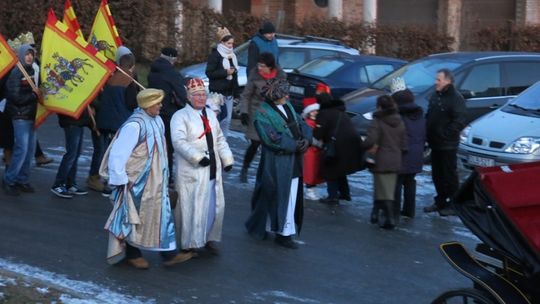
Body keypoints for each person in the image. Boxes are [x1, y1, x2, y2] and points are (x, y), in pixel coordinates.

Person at [100, 89, 193, 269]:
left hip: (156, 181)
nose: (160, 106)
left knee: (161, 216)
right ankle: (133, 254)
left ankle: (169, 253)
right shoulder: (134, 126)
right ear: (147, 105)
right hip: (137, 182)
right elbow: (118, 154)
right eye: (157, 103)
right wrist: (120, 180)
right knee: (135, 218)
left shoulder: (157, 120)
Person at [245, 78, 312, 249]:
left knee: (287, 194)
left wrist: (306, 139)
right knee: (280, 195)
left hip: (293, 158)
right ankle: (283, 233)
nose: (288, 96)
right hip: (277, 161)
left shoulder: (287, 106)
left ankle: (268, 227)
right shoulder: (263, 113)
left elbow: (301, 122)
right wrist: (295, 145)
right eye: (284, 94)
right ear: (276, 95)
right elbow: (271, 139)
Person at [170, 78, 234, 256]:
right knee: (190, 206)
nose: (200, 98)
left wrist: (227, 159)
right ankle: (188, 243)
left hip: (212, 169)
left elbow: (219, 139)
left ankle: (208, 238)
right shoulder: (180, 117)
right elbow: (178, 141)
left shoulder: (211, 114)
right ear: (189, 97)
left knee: (212, 206)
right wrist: (197, 157)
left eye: (203, 95)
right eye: (196, 95)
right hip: (193, 171)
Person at [89, 46, 137, 194]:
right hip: (119, 121)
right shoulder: (129, 80)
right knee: (116, 153)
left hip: (105, 120)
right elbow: (131, 103)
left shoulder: (111, 78)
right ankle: (111, 181)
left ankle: (98, 178)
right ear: (132, 65)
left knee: (103, 151)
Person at [424, 68, 466, 216]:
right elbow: (430, 115)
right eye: (436, 79)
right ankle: (440, 201)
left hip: (447, 144)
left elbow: (459, 121)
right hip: (435, 143)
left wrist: (445, 134)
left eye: (438, 80)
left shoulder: (455, 98)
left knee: (449, 175)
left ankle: (454, 204)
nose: (436, 82)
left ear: (448, 81)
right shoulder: (436, 95)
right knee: (437, 175)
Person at [238, 52, 286, 183]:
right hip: (256, 111)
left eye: (262, 66)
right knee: (255, 142)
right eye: (258, 65)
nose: (259, 68)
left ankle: (267, 173)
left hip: (273, 113)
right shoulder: (254, 74)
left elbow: (284, 98)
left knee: (271, 144)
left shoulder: (280, 76)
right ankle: (244, 168)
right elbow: (246, 95)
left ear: (270, 66)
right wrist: (244, 112)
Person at [362, 95, 407, 229]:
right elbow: (404, 144)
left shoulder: (378, 120)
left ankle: (390, 219)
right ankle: (375, 214)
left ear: (379, 106)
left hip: (380, 159)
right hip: (395, 160)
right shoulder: (400, 120)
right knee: (384, 188)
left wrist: (362, 145)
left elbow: (370, 140)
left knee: (384, 191)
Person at [2, 44, 40, 196]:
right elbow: (14, 96)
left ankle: (22, 180)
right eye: (27, 54)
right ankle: (9, 180)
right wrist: (34, 95)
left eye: (31, 54)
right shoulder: (16, 72)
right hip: (20, 116)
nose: (29, 57)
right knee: (22, 150)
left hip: (31, 116)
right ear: (21, 55)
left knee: (30, 151)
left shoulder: (33, 71)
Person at [313, 93, 364, 205]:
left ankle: (332, 197)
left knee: (330, 168)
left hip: (338, 144)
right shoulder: (340, 111)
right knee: (340, 168)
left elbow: (318, 134)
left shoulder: (323, 113)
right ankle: (345, 193)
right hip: (353, 142)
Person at [147, 47, 189, 183]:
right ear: (172, 58)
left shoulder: (152, 70)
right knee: (168, 148)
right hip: (169, 114)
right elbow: (182, 95)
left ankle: (153, 174)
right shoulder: (172, 73)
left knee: (155, 146)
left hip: (153, 112)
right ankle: (167, 176)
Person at [391, 80, 426, 219]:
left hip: (401, 156)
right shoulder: (419, 115)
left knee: (397, 183)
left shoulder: (398, 117)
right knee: (410, 181)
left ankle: (394, 212)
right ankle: (409, 210)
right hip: (416, 155)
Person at [205, 26, 239, 138]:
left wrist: (236, 91)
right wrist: (226, 73)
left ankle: (223, 141)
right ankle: (213, 139)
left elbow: (235, 75)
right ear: (222, 43)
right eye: (229, 43)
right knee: (216, 118)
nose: (231, 46)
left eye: (232, 44)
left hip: (229, 92)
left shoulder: (232, 56)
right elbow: (209, 73)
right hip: (217, 92)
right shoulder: (215, 55)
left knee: (227, 119)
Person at [49, 109, 91, 198]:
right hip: (72, 119)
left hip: (77, 120)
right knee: (71, 154)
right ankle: (58, 184)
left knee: (75, 153)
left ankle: (70, 183)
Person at [302, 97, 324, 200]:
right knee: (310, 172)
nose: (315, 113)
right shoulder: (308, 123)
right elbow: (309, 137)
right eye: (313, 111)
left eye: (317, 111)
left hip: (315, 152)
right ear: (309, 112)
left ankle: (312, 189)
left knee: (313, 172)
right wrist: (319, 144)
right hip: (310, 152)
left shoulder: (316, 122)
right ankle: (309, 190)